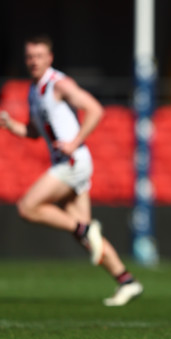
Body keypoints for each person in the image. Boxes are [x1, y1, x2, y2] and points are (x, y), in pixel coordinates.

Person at [0, 34, 143, 306]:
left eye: (39, 56)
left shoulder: (58, 83)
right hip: (65, 163)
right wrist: (10, 124)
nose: (33, 61)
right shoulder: (34, 90)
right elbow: (33, 131)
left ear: (50, 58)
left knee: (27, 207)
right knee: (88, 237)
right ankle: (127, 281)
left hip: (73, 162)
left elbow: (95, 109)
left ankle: (83, 229)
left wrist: (75, 141)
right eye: (30, 56)